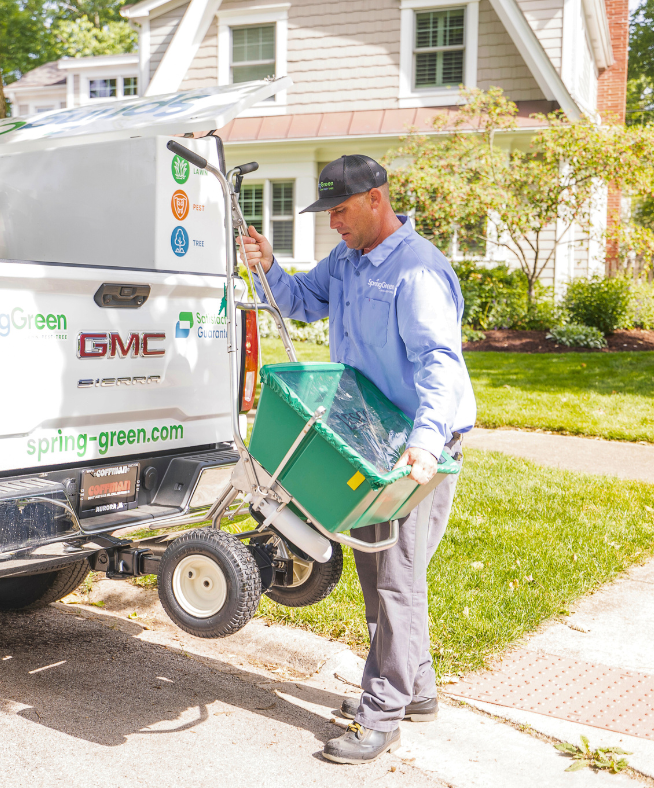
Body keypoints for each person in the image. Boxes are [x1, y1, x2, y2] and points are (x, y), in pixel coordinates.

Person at [239, 154, 476, 765]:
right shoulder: (345, 261)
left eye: (340, 210)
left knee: (394, 577)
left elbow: (439, 366)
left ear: (377, 198)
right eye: (328, 213)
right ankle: (416, 688)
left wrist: (425, 442)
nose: (333, 224)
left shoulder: (417, 272)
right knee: (385, 575)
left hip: (416, 444)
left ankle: (383, 710)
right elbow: (301, 301)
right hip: (374, 435)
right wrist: (268, 266)